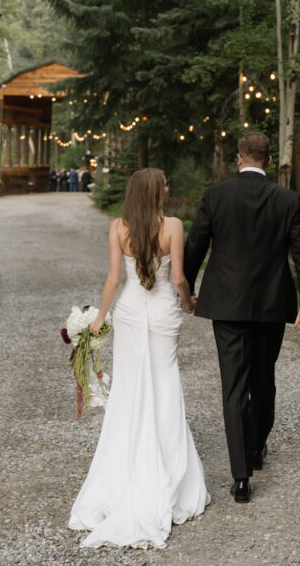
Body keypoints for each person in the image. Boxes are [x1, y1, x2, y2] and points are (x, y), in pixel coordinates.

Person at [69, 168, 209, 548]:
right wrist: (188, 300)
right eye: (164, 183)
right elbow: (178, 276)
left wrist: (99, 318)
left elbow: (115, 278)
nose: (168, 186)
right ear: (154, 191)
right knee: (164, 382)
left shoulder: (118, 226)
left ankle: (128, 467)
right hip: (162, 310)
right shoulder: (174, 226)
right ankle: (166, 470)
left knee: (131, 387)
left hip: (130, 310)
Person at [183, 132, 300, 505]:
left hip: (226, 304)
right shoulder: (287, 199)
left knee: (234, 385)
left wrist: (188, 290)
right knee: (263, 376)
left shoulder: (216, 196)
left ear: (238, 159)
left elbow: (195, 245)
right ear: (269, 162)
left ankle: (241, 477)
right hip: (273, 304)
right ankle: (257, 447)